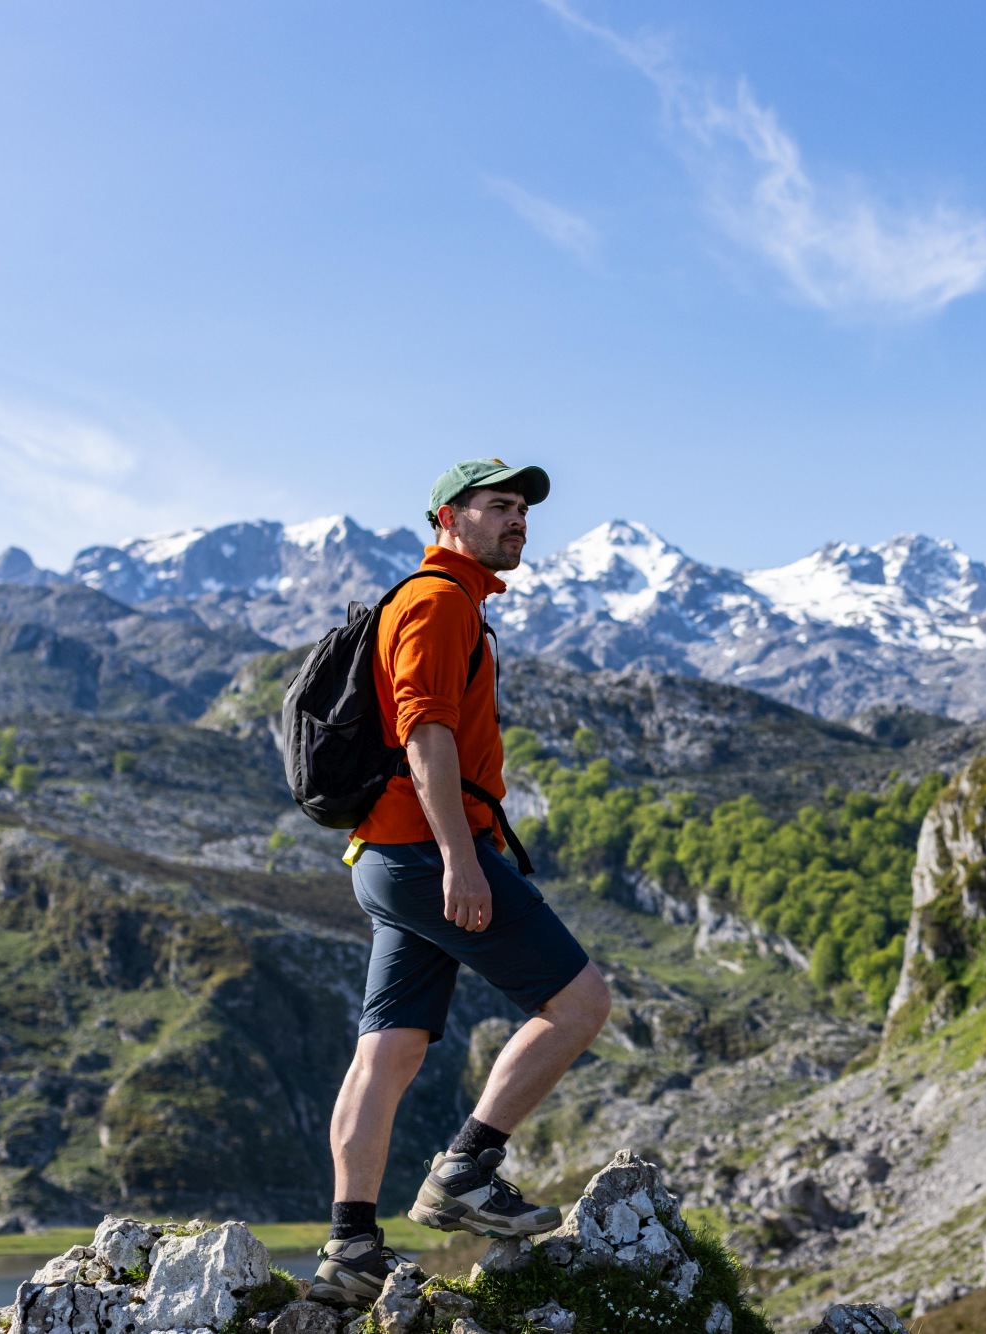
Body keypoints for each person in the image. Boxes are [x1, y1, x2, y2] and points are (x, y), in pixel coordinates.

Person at [311, 460, 611, 1308]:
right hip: (424, 855)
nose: (518, 522)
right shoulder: (439, 601)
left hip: (387, 859)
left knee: (389, 1050)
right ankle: (465, 1170)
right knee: (581, 1003)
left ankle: (350, 1248)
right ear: (450, 517)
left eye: (522, 510)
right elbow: (425, 734)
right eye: (499, 507)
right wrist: (460, 859)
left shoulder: (449, 601)